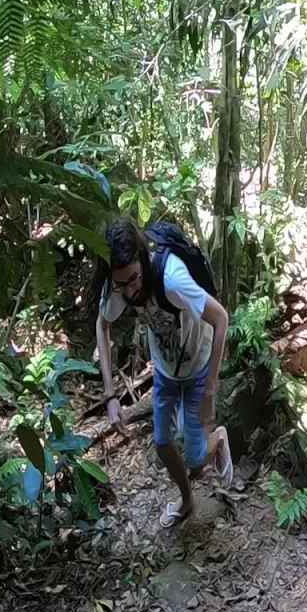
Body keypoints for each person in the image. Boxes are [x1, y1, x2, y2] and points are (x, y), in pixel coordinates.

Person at [93, 219, 232, 527]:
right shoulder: (117, 285)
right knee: (162, 441)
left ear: (143, 260)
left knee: (196, 456)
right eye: (121, 284)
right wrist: (110, 396)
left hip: (198, 366)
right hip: (167, 370)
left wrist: (210, 388)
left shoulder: (172, 280)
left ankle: (218, 439)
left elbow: (221, 318)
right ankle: (187, 499)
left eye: (133, 279)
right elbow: (102, 326)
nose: (129, 291)